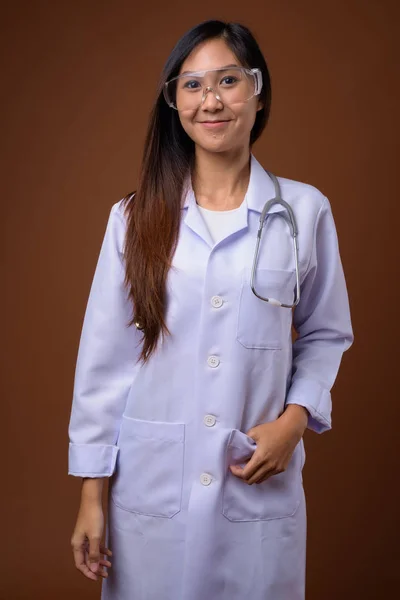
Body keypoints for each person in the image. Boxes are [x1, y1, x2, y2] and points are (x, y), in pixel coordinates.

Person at [68, 19, 354, 600]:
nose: (211, 100)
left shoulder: (303, 210)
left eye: (228, 80)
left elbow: (326, 333)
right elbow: (105, 364)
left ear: (257, 91)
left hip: (253, 481)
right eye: (192, 85)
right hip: (152, 488)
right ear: (174, 101)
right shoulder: (133, 218)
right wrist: (91, 495)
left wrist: (293, 423)